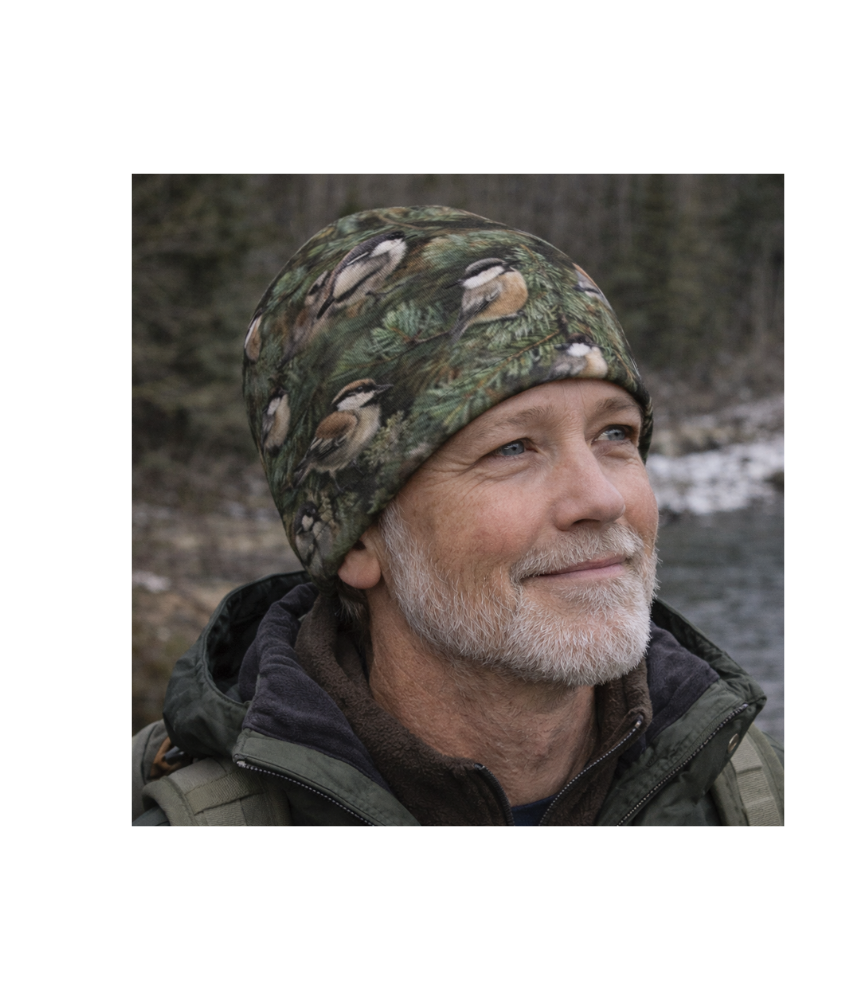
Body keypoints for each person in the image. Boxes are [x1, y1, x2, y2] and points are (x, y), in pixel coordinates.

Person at [131, 206, 785, 827]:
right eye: (512, 447)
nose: (602, 499)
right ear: (356, 539)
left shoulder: (753, 794)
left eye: (615, 435)